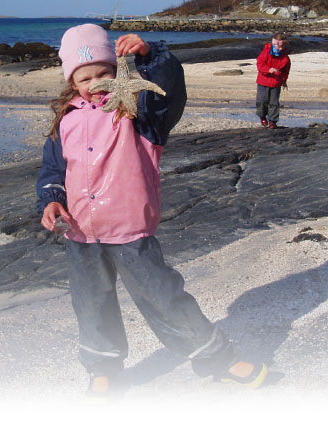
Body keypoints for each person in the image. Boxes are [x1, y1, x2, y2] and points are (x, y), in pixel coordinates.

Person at [36, 24, 267, 396]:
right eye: (85, 77)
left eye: (104, 72)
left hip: (130, 228)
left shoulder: (140, 113)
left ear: (118, 70)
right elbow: (53, 171)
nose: (96, 82)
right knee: (91, 303)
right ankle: (103, 368)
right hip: (79, 232)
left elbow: (170, 89)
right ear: (71, 81)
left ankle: (217, 359)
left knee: (164, 296)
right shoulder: (67, 120)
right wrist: (50, 199)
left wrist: (152, 55)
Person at [255, 33, 291, 129]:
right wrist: (268, 70)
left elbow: (285, 71)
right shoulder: (266, 51)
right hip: (263, 81)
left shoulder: (285, 58)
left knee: (274, 103)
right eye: (279, 46)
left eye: (282, 46)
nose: (280, 48)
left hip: (276, 82)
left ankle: (272, 121)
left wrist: (284, 81)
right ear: (274, 44)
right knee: (262, 101)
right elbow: (259, 64)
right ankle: (262, 116)